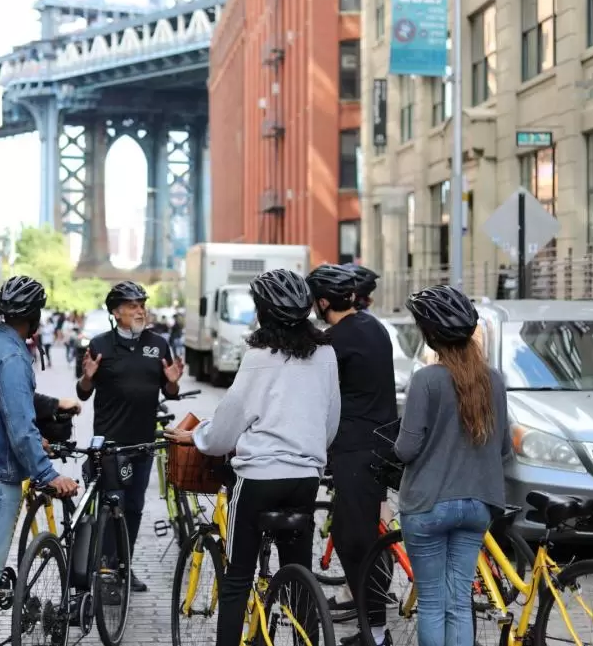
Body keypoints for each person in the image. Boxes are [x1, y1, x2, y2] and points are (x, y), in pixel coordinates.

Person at [165, 268, 340, 646]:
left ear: (262, 312)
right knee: (297, 572)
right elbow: (330, 421)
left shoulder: (258, 356)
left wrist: (200, 437)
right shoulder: (326, 353)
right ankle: (305, 633)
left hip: (260, 478)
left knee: (238, 577)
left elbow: (227, 424)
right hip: (306, 477)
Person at [0, 275, 81, 646]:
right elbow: (18, 424)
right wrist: (47, 473)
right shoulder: (12, 357)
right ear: (34, 316)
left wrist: (34, 441)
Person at [396, 285, 510, 646]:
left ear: (430, 335)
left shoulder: (426, 380)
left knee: (431, 604)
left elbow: (407, 449)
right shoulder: (494, 380)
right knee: (459, 603)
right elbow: (504, 448)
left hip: (429, 503)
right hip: (478, 503)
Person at [306, 263, 397, 646]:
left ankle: (375, 633)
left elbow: (317, 398)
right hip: (384, 445)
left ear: (324, 302)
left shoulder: (333, 342)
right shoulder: (374, 327)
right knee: (367, 539)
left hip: (356, 452)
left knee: (353, 542)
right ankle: (372, 627)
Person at [76, 280, 184, 591]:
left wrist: (173, 384)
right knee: (113, 506)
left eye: (142, 305)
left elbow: (169, 391)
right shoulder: (99, 346)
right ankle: (106, 569)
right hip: (110, 446)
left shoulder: (159, 344)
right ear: (116, 312)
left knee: (134, 508)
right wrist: (87, 377)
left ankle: (123, 566)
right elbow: (82, 394)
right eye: (132, 306)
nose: (140, 311)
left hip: (143, 444)